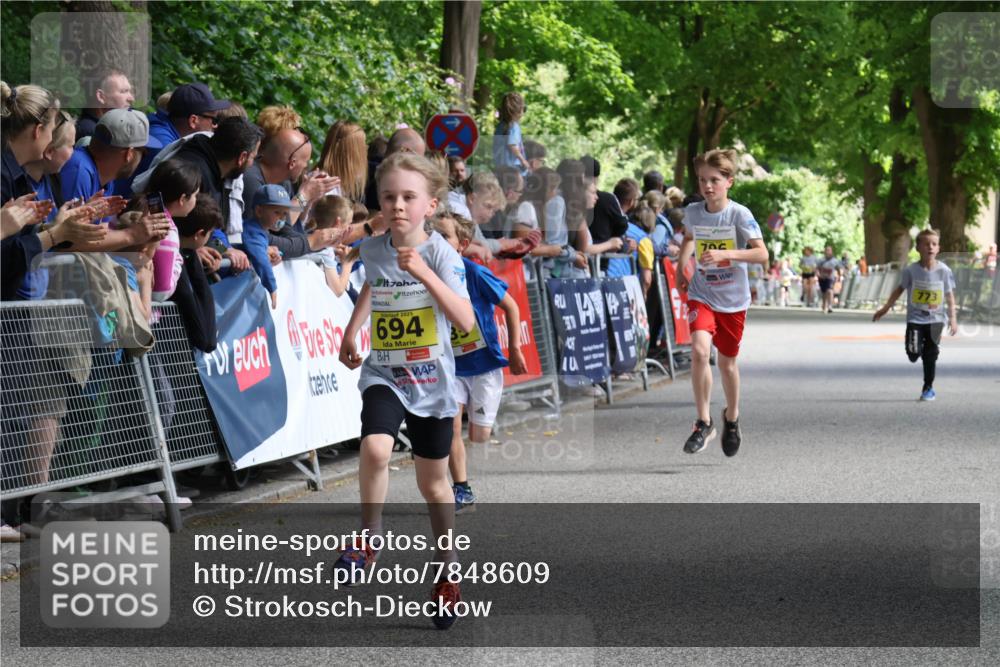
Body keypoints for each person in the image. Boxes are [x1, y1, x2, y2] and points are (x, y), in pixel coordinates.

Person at [337, 151, 474, 630]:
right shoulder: (373, 248)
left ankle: (445, 571)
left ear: (430, 205)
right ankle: (369, 538)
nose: (397, 205)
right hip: (386, 374)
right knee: (375, 448)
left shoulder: (441, 253)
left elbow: (465, 320)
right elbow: (375, 284)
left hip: (433, 384)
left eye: (408, 197)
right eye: (389, 196)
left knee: (433, 485)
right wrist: (351, 331)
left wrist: (423, 272)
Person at [431, 213, 527, 513]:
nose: (435, 241)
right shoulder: (427, 276)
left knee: (479, 435)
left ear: (461, 245)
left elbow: (510, 305)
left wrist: (514, 348)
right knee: (450, 425)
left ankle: (462, 477)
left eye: (443, 236)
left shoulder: (474, 273)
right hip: (452, 367)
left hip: (484, 364)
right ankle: (461, 489)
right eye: (431, 234)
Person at [675, 149, 768, 457]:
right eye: (702, 180)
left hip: (733, 299)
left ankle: (732, 417)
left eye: (714, 180)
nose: (708, 186)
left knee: (727, 364)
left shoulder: (740, 214)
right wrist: (680, 268)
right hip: (702, 292)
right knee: (700, 351)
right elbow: (689, 238)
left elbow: (761, 254)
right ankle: (703, 422)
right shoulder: (693, 212)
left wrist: (728, 254)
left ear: (729, 181)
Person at [873, 229, 957, 401]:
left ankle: (928, 387)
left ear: (938, 248)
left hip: (936, 318)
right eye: (926, 244)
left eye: (934, 244)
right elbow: (899, 290)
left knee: (931, 353)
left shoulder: (944, 271)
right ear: (918, 247)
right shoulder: (911, 270)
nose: (930, 247)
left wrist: (953, 318)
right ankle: (917, 351)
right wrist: (886, 307)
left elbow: (949, 295)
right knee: (913, 353)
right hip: (916, 319)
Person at [172, 193, 220, 352]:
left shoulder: (187, 252)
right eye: (209, 233)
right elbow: (205, 340)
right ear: (199, 234)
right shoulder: (174, 257)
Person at [240, 184, 299, 309]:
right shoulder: (254, 231)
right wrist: (272, 287)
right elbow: (261, 260)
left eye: (285, 213)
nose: (282, 218)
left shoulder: (261, 230)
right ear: (259, 211)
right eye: (277, 212)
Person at [308, 195, 357, 298]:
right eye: (349, 223)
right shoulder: (325, 251)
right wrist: (347, 263)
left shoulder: (307, 233)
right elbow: (338, 290)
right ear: (338, 223)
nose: (350, 227)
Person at [75, 69, 135, 142]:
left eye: (129, 91)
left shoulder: (104, 127)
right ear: (101, 96)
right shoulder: (91, 133)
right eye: (123, 91)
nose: (131, 99)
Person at [317, 121, 367, 203]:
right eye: (362, 147)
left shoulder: (342, 185)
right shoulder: (324, 184)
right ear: (352, 153)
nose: (366, 149)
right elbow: (294, 212)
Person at [492, 92, 529, 174]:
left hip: (500, 166)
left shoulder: (500, 126)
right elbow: (512, 145)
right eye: (524, 109)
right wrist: (523, 160)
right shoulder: (514, 126)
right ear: (519, 110)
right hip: (513, 169)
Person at [816, 245, 842, 313]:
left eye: (829, 250)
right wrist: (818, 274)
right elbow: (817, 268)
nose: (828, 252)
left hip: (830, 277)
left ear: (831, 252)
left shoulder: (835, 260)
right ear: (824, 251)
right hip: (822, 277)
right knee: (824, 292)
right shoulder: (820, 260)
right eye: (826, 250)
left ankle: (830, 306)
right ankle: (824, 305)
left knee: (829, 290)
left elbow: (838, 268)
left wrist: (839, 276)